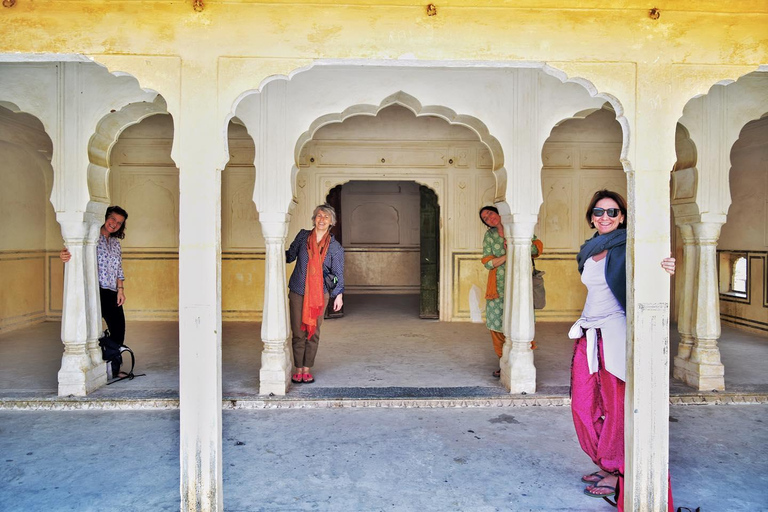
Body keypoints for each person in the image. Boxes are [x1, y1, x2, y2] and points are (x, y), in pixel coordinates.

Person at [569, 190, 675, 506]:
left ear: (622, 217)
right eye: (599, 212)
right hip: (590, 332)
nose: (605, 217)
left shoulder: (630, 246)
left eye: (612, 212)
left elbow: (651, 266)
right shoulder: (589, 250)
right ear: (591, 216)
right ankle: (607, 461)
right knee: (584, 405)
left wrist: (664, 265)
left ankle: (619, 472)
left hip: (615, 334)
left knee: (617, 409)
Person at [60, 205, 130, 378]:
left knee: (119, 329)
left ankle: (113, 368)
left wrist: (120, 290)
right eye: (112, 219)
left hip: (112, 291)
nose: (114, 224)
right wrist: (64, 254)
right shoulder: (90, 238)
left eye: (119, 223)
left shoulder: (115, 243)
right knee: (91, 331)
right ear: (105, 217)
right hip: (94, 290)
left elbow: (118, 269)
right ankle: (94, 368)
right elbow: (73, 252)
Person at [286, 204, 345, 384]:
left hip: (320, 294)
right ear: (314, 219)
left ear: (331, 222)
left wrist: (339, 295)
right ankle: (298, 368)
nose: (321, 220)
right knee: (298, 331)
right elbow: (290, 256)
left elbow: (338, 273)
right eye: (319, 216)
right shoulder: (303, 236)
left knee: (313, 332)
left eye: (326, 217)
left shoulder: (335, 247)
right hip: (298, 290)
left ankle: (307, 369)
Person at [479, 206, 507, 378]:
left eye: (490, 213)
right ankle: (504, 363)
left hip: (519, 285)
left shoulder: (517, 230)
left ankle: (521, 362)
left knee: (519, 323)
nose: (489, 218)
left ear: (498, 212)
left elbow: (534, 249)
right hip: (496, 288)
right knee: (496, 326)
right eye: (485, 218)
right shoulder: (490, 236)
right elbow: (488, 262)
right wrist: (508, 254)